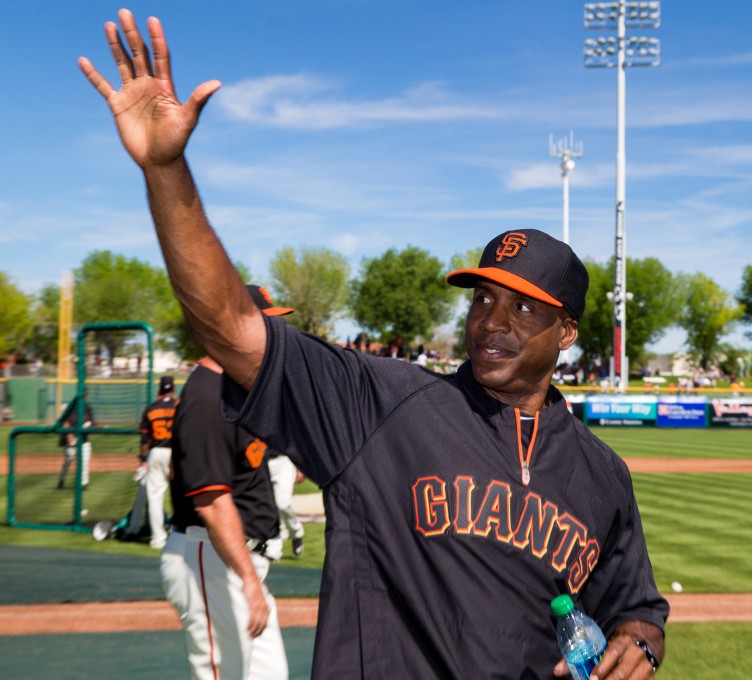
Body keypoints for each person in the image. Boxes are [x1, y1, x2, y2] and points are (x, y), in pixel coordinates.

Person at [80, 11, 668, 678]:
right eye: (482, 299)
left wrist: (642, 639)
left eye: (522, 307)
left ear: (567, 332)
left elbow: (637, 605)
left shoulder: (602, 476)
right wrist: (166, 170)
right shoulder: (381, 406)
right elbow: (231, 329)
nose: (491, 321)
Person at [160, 285, 293, 680]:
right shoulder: (206, 398)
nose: (276, 335)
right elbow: (212, 502)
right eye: (268, 325)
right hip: (210, 558)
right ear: (234, 329)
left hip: (234, 561)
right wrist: (248, 580)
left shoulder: (238, 389)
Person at [126, 375, 178, 547]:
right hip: (176, 452)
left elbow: (144, 438)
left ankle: (158, 538)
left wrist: (143, 460)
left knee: (155, 497)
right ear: (174, 388)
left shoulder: (151, 408)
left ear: (160, 389)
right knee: (180, 495)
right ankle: (179, 532)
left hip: (156, 452)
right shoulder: (180, 406)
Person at [267, 450, 306, 557]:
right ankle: (274, 548)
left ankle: (296, 533)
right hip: (260, 461)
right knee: (267, 507)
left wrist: (302, 466)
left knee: (282, 503)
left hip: (283, 461)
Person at [56, 390, 94, 490]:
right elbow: (64, 421)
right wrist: (69, 435)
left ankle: (83, 484)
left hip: (83, 440)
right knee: (68, 461)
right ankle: (62, 479)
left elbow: (92, 422)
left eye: (85, 392)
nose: (84, 394)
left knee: (84, 461)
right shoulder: (71, 406)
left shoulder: (87, 407)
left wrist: (88, 426)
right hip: (71, 439)